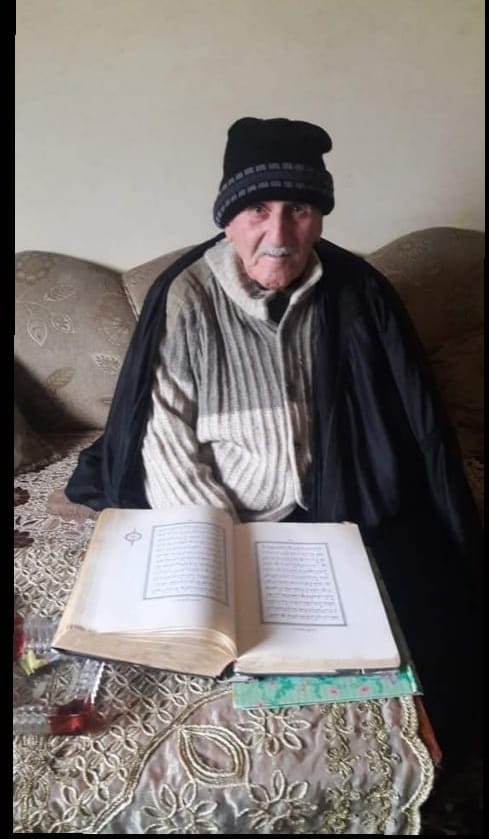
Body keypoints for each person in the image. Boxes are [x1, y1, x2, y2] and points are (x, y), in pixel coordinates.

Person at [65, 116, 481, 762]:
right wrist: (223, 546)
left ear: (320, 218)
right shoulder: (186, 295)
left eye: (300, 210)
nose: (279, 236)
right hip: (225, 513)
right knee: (195, 648)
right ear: (228, 217)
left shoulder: (358, 289)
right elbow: (167, 443)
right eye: (258, 209)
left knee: (437, 635)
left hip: (341, 501)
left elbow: (405, 422)